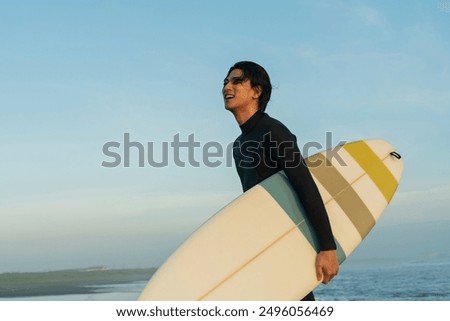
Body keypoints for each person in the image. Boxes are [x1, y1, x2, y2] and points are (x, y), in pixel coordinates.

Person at [222, 61, 339, 301]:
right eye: (225, 82)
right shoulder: (239, 145)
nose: (227, 87)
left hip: (289, 236)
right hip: (267, 239)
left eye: (236, 81)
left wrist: (327, 247)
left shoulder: (273, 131)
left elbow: (305, 186)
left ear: (256, 91)